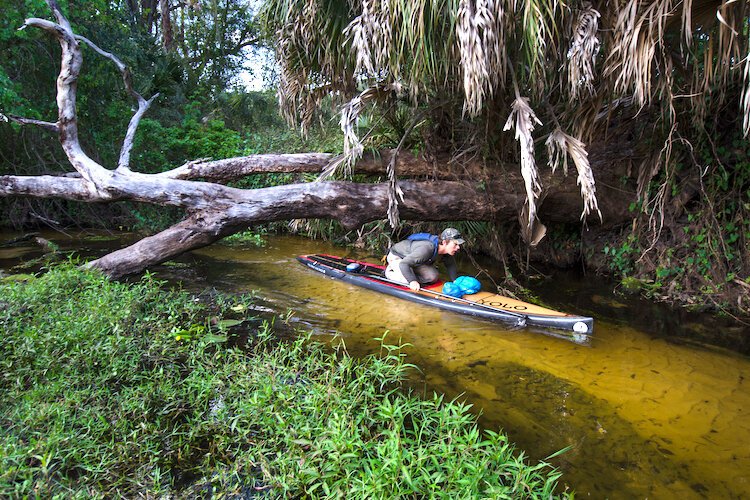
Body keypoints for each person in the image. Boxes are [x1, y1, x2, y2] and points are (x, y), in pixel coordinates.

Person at [385, 228, 466, 292]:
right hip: (398, 257)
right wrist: (412, 281)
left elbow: (451, 265)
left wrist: (455, 281)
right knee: (407, 281)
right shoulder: (427, 248)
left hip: (412, 259)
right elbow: (404, 263)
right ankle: (389, 273)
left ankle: (408, 273)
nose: (458, 247)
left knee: (433, 277)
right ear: (444, 242)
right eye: (455, 244)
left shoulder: (447, 251)